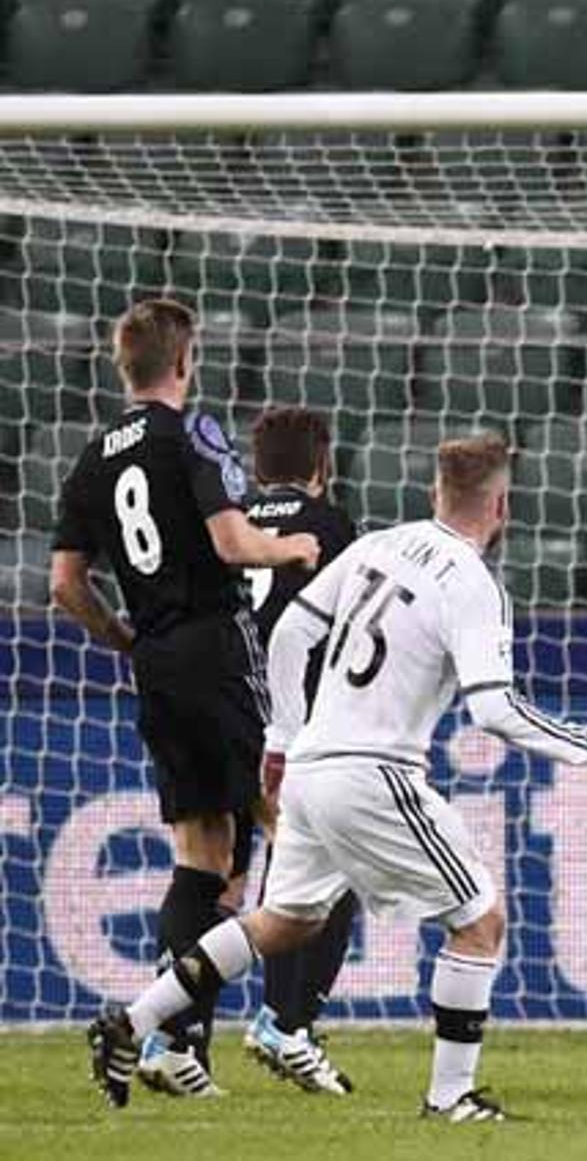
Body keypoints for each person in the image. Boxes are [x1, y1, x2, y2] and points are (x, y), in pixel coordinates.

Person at [87, 433, 587, 1123]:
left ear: (436, 493)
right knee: (480, 923)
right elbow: (495, 708)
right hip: (374, 772)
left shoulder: (379, 544)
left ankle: (131, 1024)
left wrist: (284, 736)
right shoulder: (473, 583)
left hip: (313, 766)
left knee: (282, 923)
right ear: (501, 504)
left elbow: (290, 633)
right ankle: (451, 1098)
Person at [51, 299, 319, 1096]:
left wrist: (122, 637)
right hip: (216, 643)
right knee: (293, 818)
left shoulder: (92, 457)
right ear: (184, 360)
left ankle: (171, 1044)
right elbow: (234, 542)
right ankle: (281, 1022)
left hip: (157, 660)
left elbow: (66, 583)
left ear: (121, 365)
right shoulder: (193, 433)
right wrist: (293, 544)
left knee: (203, 857)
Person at [233, 406, 361, 1095]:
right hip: (300, 726)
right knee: (322, 875)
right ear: (321, 465)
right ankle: (287, 1023)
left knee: (218, 880)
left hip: (226, 710)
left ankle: (175, 1034)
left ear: (257, 466)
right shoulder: (332, 526)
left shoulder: (228, 519)